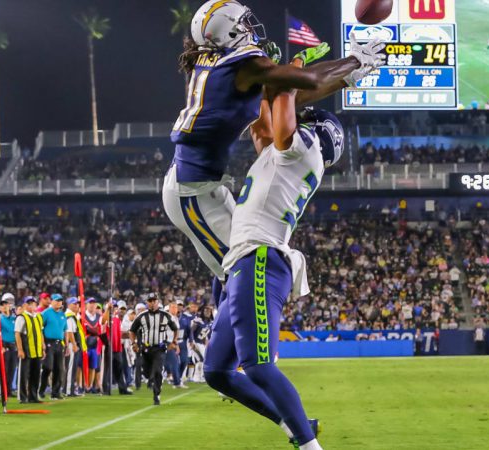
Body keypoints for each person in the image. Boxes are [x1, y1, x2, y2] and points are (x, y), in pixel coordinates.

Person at [163, 0, 384, 310]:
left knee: (234, 266)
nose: (249, 27)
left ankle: (223, 334)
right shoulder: (243, 65)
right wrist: (353, 62)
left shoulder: (217, 60)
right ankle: (225, 338)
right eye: (242, 23)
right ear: (229, 32)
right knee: (239, 270)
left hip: (201, 185)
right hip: (192, 193)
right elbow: (302, 82)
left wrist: (346, 77)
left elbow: (286, 99)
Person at [204, 54, 346, 449]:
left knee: (257, 364)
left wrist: (292, 67)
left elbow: (282, 95)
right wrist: (266, 80)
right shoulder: (287, 154)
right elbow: (261, 121)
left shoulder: (303, 150)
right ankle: (296, 424)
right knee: (217, 371)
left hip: (261, 258)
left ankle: (309, 445)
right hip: (244, 259)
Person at [129, 293, 178, 406]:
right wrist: (134, 343)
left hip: (160, 348)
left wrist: (174, 342)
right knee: (147, 372)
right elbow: (132, 331)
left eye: (154, 301)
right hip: (146, 349)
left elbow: (175, 329)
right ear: (147, 303)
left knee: (157, 371)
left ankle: (156, 395)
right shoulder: (141, 316)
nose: (152, 303)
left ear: (158, 302)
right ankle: (150, 378)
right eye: (150, 301)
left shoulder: (165, 315)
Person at [15, 296, 44, 404]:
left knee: (36, 374)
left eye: (33, 303)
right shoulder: (21, 317)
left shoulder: (38, 317)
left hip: (37, 349)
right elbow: (17, 334)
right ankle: (22, 396)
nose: (31, 305)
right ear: (24, 305)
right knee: (23, 374)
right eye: (29, 303)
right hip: (27, 349)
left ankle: (33, 396)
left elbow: (40, 332)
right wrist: (20, 349)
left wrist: (43, 346)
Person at [39, 293, 68, 400]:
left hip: (59, 343)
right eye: (56, 300)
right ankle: (41, 390)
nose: (58, 302)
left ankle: (55, 393)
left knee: (59, 369)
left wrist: (66, 344)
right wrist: (42, 343)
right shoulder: (46, 313)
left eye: (60, 301)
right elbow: (40, 329)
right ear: (52, 301)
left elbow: (65, 330)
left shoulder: (62, 314)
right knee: (48, 367)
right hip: (49, 342)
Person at [63, 297, 85, 397]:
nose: (76, 305)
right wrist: (74, 344)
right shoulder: (69, 316)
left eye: (77, 304)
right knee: (71, 368)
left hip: (74, 344)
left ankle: (70, 389)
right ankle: (68, 390)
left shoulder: (74, 316)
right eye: (74, 304)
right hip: (72, 344)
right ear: (69, 305)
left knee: (73, 368)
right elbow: (69, 332)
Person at [0, 293, 18, 399]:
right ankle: (2, 391)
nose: (5, 306)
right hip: (4, 345)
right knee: (4, 369)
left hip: (14, 345)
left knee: (12, 369)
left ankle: (9, 390)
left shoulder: (14, 318)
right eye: (3, 305)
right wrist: (0, 346)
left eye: (6, 304)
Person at [163, 302, 185, 389]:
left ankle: (175, 381)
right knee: (174, 362)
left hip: (171, 342)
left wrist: (176, 344)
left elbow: (175, 333)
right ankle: (176, 382)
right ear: (169, 308)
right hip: (166, 342)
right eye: (172, 307)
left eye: (175, 307)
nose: (175, 309)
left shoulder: (175, 318)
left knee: (170, 362)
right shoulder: (167, 317)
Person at [83, 298, 102, 394]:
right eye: (90, 303)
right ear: (86, 305)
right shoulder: (82, 316)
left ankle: (90, 386)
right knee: (82, 367)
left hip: (95, 346)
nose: (92, 305)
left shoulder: (99, 316)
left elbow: (101, 329)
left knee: (93, 367)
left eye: (93, 303)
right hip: (85, 345)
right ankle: (82, 385)